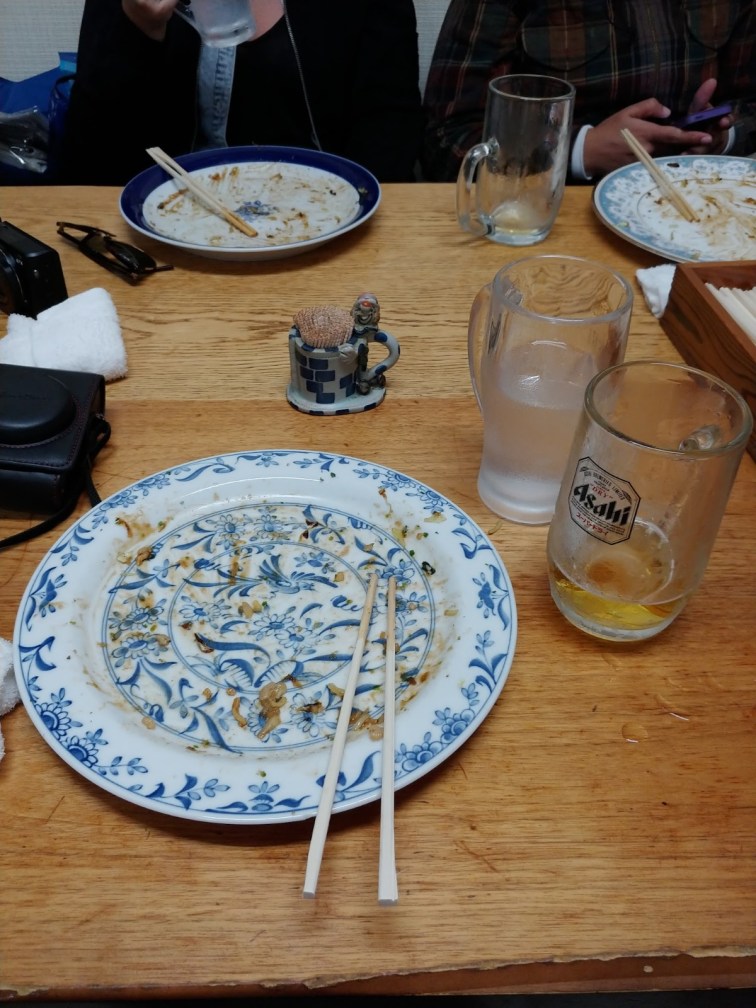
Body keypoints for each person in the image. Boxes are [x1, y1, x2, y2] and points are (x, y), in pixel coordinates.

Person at [60, 0, 423, 185]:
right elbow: (87, 166)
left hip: (325, 220)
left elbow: (390, 132)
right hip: (171, 225)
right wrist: (139, 29)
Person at [422, 0, 756, 182]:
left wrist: (721, 136)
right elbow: (447, 138)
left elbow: (749, 105)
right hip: (554, 213)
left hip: (701, 205)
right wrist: (577, 152)